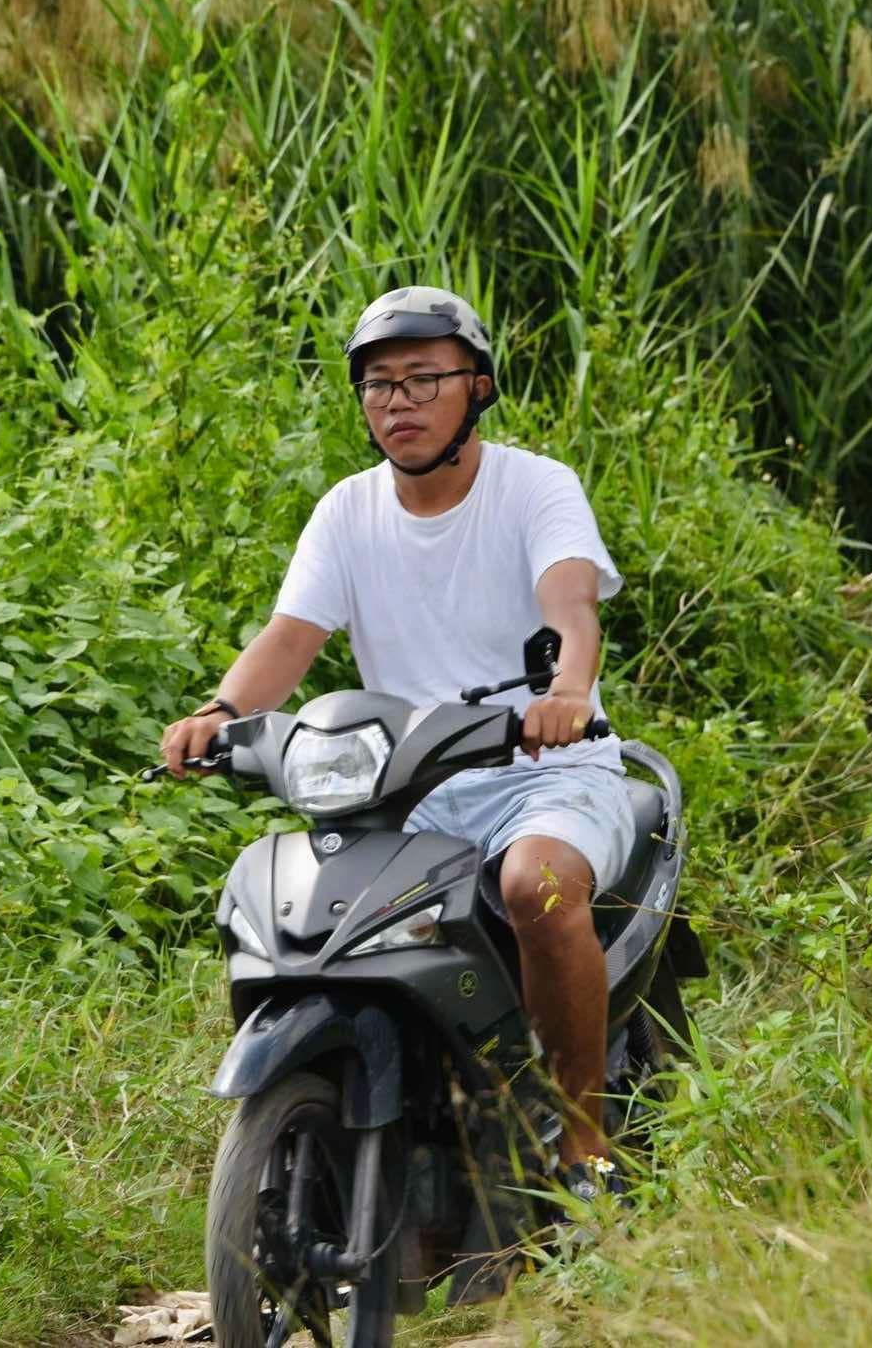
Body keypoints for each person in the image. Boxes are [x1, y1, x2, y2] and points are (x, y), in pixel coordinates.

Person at [158, 286, 632, 1202]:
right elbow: (290, 639)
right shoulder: (347, 510)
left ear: (479, 389)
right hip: (406, 784)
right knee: (329, 924)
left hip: (542, 773)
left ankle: (583, 1142)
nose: (398, 403)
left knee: (535, 883)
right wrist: (219, 713)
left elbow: (568, 603)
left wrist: (567, 691)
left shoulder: (536, 486)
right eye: (379, 385)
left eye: (423, 380)